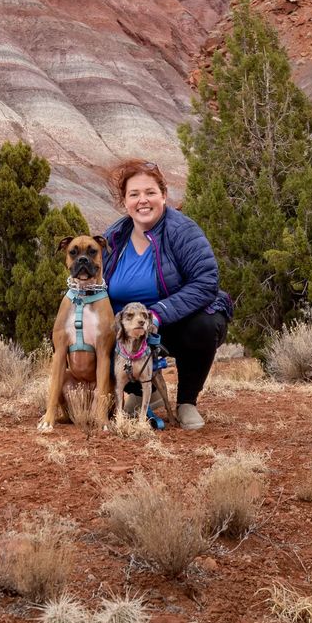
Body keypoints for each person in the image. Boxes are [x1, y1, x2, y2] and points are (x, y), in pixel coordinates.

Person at [101, 158, 227, 430]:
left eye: (150, 192)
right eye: (134, 194)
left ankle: (186, 403)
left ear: (164, 195)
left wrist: (158, 314)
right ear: (125, 201)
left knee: (204, 325)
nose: (142, 200)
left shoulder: (182, 231)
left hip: (171, 323)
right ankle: (143, 392)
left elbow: (206, 282)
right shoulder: (114, 237)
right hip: (125, 327)